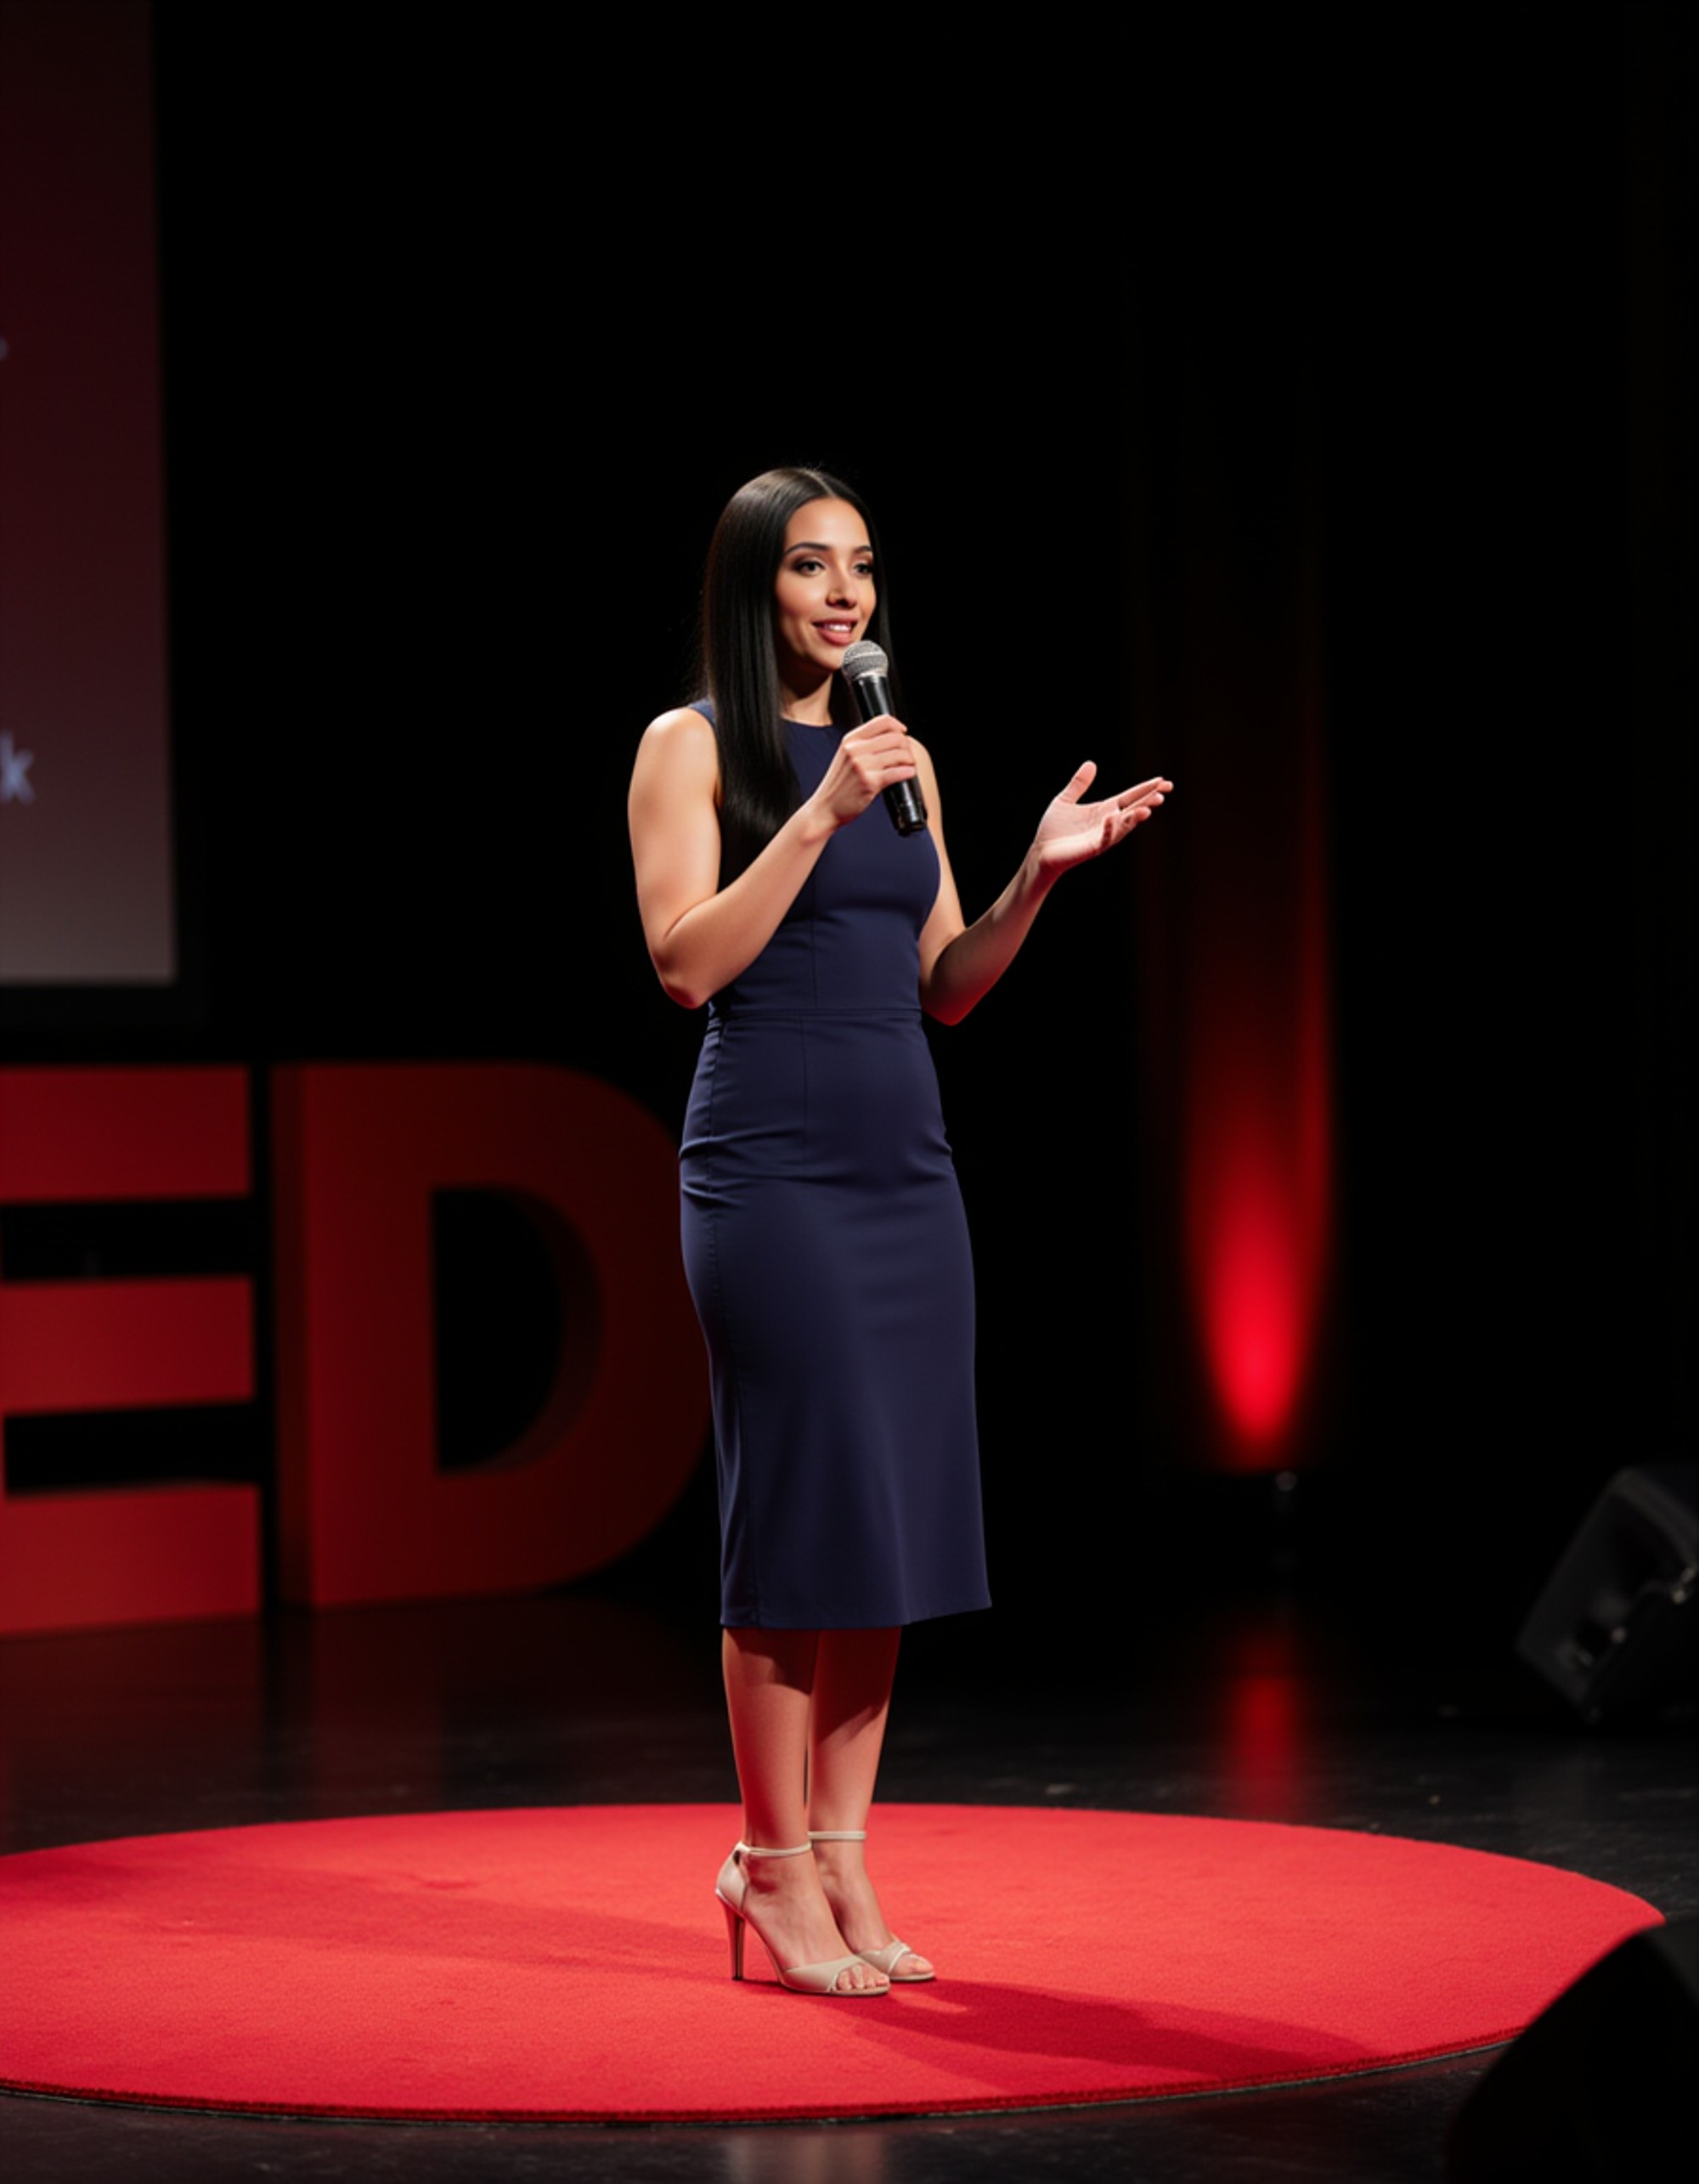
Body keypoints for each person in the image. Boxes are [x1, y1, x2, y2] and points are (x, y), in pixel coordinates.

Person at [628, 466, 1170, 1997]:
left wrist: (1031, 883)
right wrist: (816, 813)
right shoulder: (694, 745)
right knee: (792, 1523)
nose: (845, 595)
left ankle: (846, 1861)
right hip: (770, 1169)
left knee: (886, 1522)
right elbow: (686, 962)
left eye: (861, 567)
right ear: (756, 588)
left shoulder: (900, 751)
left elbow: (945, 980)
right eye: (812, 569)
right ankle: (771, 1866)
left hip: (903, 1167)